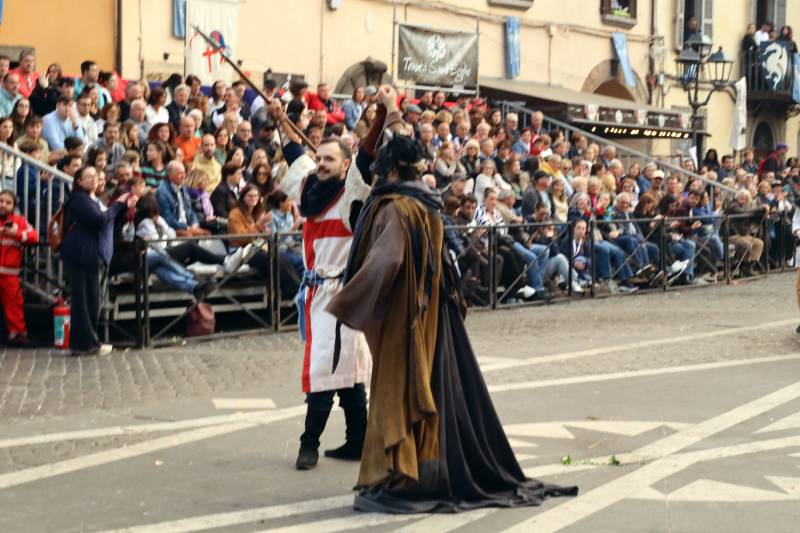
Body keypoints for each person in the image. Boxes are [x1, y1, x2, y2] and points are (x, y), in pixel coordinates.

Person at [326, 101, 577, 512]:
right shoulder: (427, 204)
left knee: (400, 392)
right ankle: (420, 472)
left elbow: (387, 260)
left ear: (389, 172)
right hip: (434, 316)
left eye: (379, 172)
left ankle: (404, 479)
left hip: (405, 320)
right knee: (431, 392)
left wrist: (347, 301)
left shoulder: (393, 207)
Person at [269, 94, 373, 472]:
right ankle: (357, 441)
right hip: (317, 293)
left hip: (342, 294)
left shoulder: (353, 196)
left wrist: (379, 121)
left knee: (327, 369)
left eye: (330, 159)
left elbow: (366, 162)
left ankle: (309, 445)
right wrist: (282, 119)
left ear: (346, 165)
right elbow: (295, 156)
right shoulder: (310, 192)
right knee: (344, 369)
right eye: (321, 158)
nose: (322, 164)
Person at [60, 166, 133, 356]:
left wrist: (123, 207)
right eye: (89, 177)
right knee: (84, 301)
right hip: (82, 255)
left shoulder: (95, 199)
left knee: (93, 300)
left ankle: (86, 342)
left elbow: (109, 222)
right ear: (79, 181)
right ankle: (87, 344)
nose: (94, 180)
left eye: (97, 177)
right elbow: (99, 220)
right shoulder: (78, 200)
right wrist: (117, 205)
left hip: (96, 255)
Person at [134, 192, 217, 301]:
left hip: (150, 261)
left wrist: (161, 223)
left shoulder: (154, 222)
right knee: (163, 255)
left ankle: (195, 288)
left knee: (161, 270)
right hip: (140, 259)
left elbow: (171, 236)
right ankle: (194, 278)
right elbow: (157, 245)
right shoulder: (145, 223)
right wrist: (162, 228)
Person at [0, 190, 39, 346]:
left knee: (14, 306)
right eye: (1, 201)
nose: (3, 205)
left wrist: (16, 233)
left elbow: (34, 237)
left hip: (9, 274)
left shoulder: (19, 221)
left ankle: (18, 336)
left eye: (8, 202)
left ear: (14, 206)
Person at [156, 161, 208, 236]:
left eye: (184, 172)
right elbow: (167, 218)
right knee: (190, 236)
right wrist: (187, 228)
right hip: (172, 228)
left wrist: (194, 223)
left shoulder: (184, 188)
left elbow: (190, 210)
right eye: (180, 173)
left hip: (187, 226)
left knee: (207, 233)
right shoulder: (162, 191)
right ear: (170, 175)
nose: (184, 176)